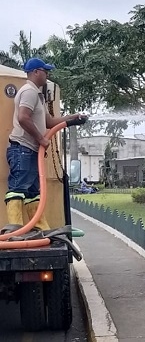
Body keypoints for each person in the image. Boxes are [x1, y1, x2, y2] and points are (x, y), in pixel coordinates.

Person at [5, 57, 87, 231]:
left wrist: (70, 119)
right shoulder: (29, 91)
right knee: (18, 189)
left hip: (30, 151)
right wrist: (41, 139)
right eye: (45, 70)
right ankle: (15, 231)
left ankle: (41, 230)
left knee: (33, 193)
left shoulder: (38, 95)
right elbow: (23, 117)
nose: (47, 74)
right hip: (22, 149)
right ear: (35, 72)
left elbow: (49, 122)